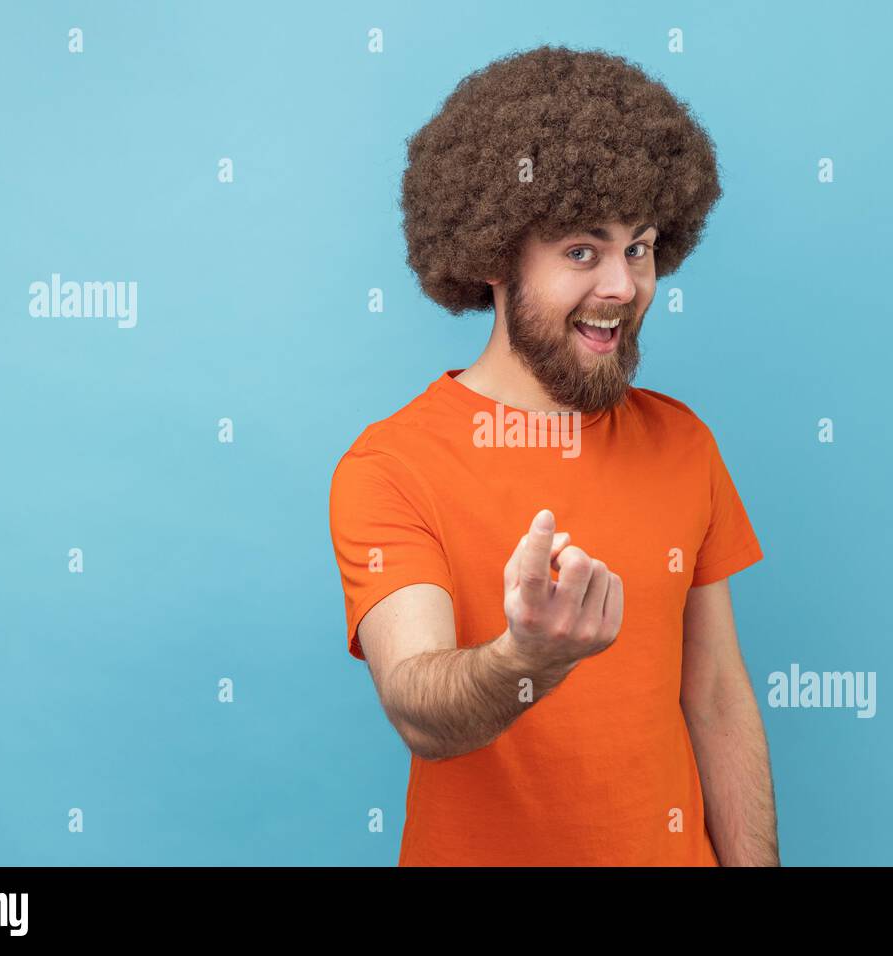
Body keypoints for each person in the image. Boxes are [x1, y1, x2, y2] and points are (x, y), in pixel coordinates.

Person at [329, 44, 778, 866]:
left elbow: (714, 696)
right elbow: (419, 709)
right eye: (583, 251)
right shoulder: (390, 466)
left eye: (638, 248)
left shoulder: (683, 441)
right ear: (496, 258)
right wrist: (526, 660)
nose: (622, 286)